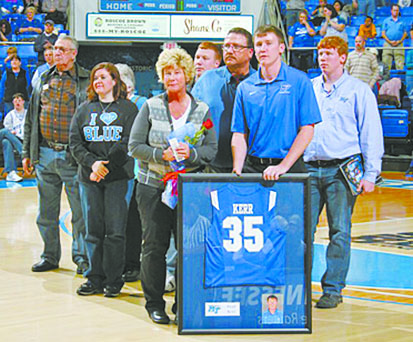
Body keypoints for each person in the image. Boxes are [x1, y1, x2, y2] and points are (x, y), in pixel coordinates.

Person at [128, 48, 217, 324]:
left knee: (189, 247)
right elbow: (134, 146)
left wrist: (190, 155)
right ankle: (155, 304)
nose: (172, 77)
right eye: (167, 72)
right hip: (153, 187)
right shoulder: (150, 106)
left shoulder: (202, 109)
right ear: (161, 76)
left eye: (177, 72)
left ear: (187, 75)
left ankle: (184, 303)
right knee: (154, 246)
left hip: (189, 190)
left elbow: (211, 150)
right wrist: (160, 155)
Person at [303, 36, 384, 309]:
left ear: (342, 57)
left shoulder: (359, 90)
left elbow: (371, 132)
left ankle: (333, 289)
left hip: (342, 169)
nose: (322, 58)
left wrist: (371, 173)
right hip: (310, 168)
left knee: (340, 231)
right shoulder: (309, 88)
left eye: (328, 53)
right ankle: (300, 287)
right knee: (303, 231)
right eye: (320, 53)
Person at [22, 35, 89, 274]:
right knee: (45, 213)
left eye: (62, 49)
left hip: (73, 157)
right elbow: (31, 117)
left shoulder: (85, 80)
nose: (55, 52)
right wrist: (26, 152)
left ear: (73, 54)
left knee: (79, 214)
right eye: (54, 49)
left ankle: (81, 258)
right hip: (45, 154)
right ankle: (49, 256)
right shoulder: (42, 77)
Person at [70, 62, 138, 298]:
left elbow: (128, 142)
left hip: (118, 178)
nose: (98, 81)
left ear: (114, 81)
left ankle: (113, 280)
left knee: (116, 232)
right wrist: (92, 164)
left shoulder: (128, 109)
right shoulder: (84, 109)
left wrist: (104, 167)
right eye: (95, 78)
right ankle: (93, 278)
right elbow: (75, 143)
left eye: (103, 77)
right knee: (93, 231)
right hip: (89, 178)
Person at [231, 25, 321, 180]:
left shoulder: (300, 81)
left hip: (289, 167)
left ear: (281, 48)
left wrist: (283, 166)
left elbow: (307, 129)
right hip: (253, 168)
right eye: (259, 44)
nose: (263, 48)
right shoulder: (244, 87)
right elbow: (239, 133)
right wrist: (237, 170)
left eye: (268, 43)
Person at [192, 27, 255, 173]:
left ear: (250, 52)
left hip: (252, 167)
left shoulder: (260, 82)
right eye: (226, 46)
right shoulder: (207, 80)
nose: (230, 50)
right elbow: (192, 119)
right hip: (212, 166)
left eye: (236, 47)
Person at [115, 62, 147, 283]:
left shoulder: (141, 104)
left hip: (135, 172)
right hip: (114, 172)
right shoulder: (107, 105)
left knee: (132, 221)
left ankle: (132, 264)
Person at [0, 93, 26, 182]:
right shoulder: (9, 115)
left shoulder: (28, 114)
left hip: (25, 140)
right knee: (5, 132)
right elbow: (8, 130)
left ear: (23, 102)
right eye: (15, 101)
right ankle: (22, 151)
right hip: (15, 138)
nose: (17, 102)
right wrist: (11, 132)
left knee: (5, 142)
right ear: (12, 103)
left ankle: (11, 173)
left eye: (19, 100)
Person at [381, 4, 408, 71]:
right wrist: (390, 41)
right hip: (388, 43)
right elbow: (383, 33)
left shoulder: (403, 21)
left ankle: (400, 79)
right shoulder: (386, 21)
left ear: (399, 11)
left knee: (400, 62)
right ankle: (385, 78)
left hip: (399, 43)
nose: (395, 12)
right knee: (386, 61)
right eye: (394, 10)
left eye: (397, 10)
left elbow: (405, 33)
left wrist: (400, 41)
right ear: (391, 11)